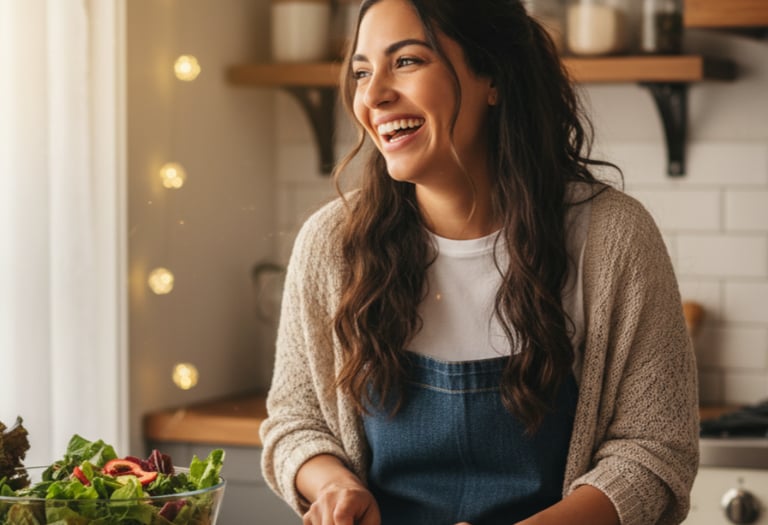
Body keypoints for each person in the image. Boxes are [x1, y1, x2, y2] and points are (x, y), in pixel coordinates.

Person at [259, 0, 699, 523]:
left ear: (493, 76)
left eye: (406, 62)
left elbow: (652, 452)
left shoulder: (611, 238)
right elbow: (296, 419)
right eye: (361, 71)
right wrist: (332, 485)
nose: (373, 96)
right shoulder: (331, 245)